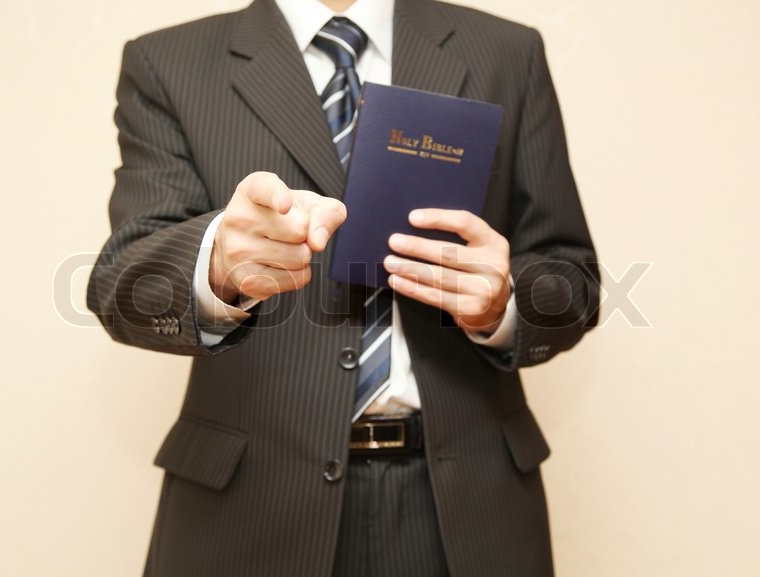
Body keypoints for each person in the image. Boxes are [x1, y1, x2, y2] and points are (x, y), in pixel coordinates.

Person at [87, 0, 599, 575]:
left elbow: (572, 278)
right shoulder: (168, 61)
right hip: (248, 508)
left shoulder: (507, 52)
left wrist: (503, 301)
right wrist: (215, 262)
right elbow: (122, 285)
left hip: (467, 505)